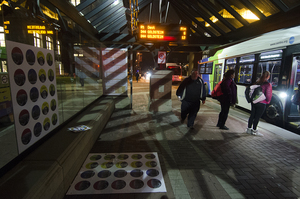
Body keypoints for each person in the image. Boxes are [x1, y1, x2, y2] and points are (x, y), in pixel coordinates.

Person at [246, 71, 272, 135]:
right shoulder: (267, 84)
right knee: (257, 117)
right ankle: (254, 130)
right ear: (268, 76)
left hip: (254, 101)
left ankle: (249, 129)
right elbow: (268, 95)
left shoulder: (257, 82)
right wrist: (268, 101)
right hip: (262, 102)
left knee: (252, 115)